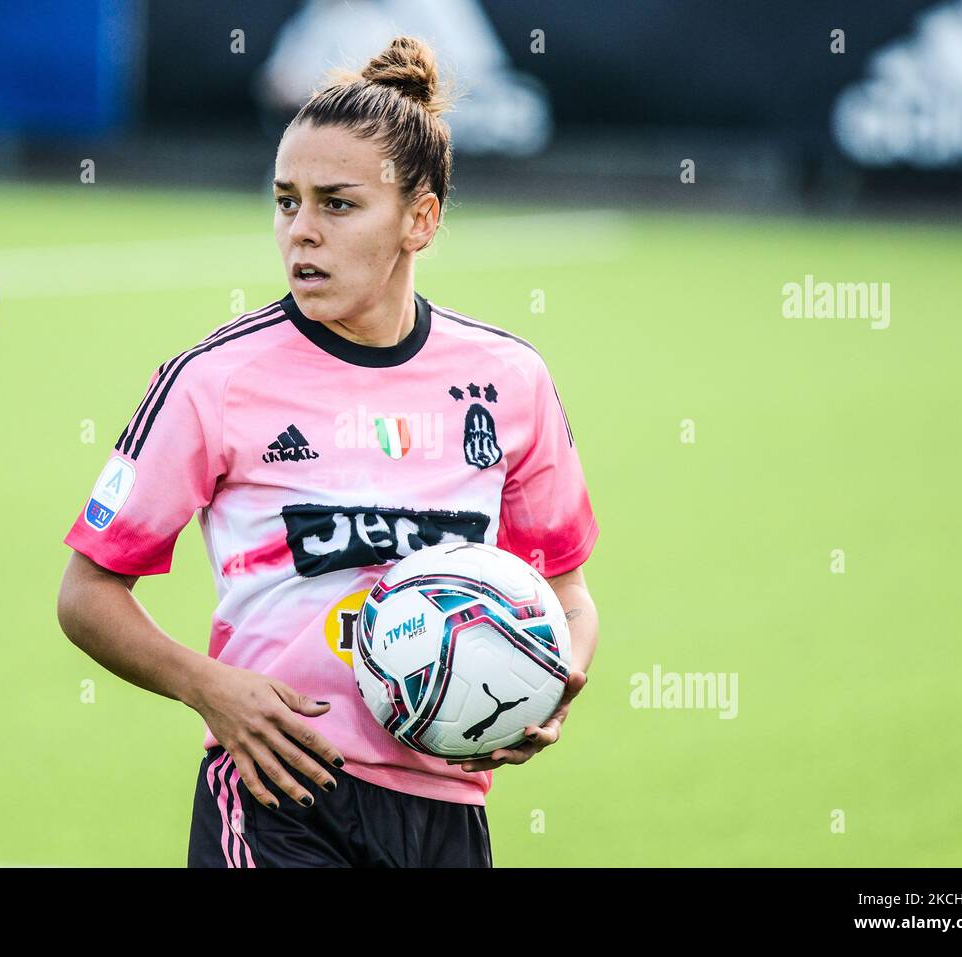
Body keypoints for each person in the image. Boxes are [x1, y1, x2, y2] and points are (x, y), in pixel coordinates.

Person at [56, 35, 599, 868]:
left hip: (447, 806)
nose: (300, 232)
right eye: (285, 202)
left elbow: (567, 592)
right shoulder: (214, 380)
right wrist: (210, 687)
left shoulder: (509, 379)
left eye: (337, 204)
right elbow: (88, 592)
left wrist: (547, 688)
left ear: (421, 219)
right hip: (279, 796)